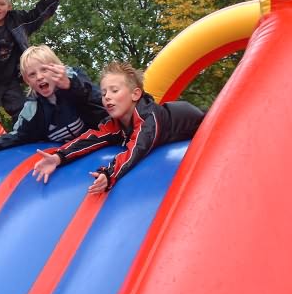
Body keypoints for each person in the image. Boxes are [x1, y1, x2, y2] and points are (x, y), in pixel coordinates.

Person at [32, 61, 205, 194]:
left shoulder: (148, 116)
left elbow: (138, 147)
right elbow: (90, 138)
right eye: (104, 93)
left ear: (135, 94)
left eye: (114, 91)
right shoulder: (115, 122)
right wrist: (58, 157)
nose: (107, 97)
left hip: (200, 124)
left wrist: (109, 174)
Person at [0, 44, 107, 160]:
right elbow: (18, 134)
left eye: (44, 70)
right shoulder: (33, 108)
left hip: (98, 141)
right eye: (32, 74)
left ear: (56, 68)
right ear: (27, 81)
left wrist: (71, 86)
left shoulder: (74, 79)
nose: (39, 77)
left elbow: (100, 103)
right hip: (66, 152)